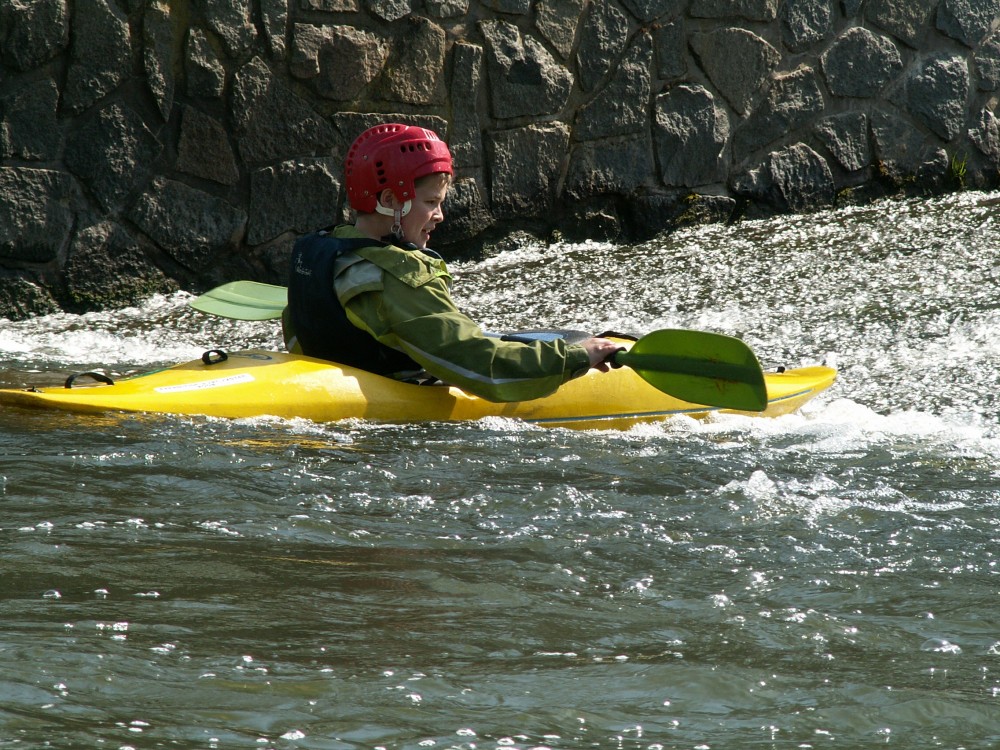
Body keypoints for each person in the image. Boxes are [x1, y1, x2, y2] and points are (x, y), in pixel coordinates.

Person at [283, 122, 620, 403]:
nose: (440, 215)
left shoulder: (320, 252)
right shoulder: (398, 278)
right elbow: (482, 364)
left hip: (324, 389)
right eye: (431, 202)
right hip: (394, 415)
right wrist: (578, 357)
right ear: (389, 200)